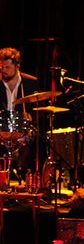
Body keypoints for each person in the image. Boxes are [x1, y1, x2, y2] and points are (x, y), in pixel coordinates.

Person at [0, 47, 40, 179]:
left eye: (7, 67)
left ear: (17, 66)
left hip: (23, 131)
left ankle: (26, 178)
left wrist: (32, 116)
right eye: (1, 67)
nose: (3, 71)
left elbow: (40, 109)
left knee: (34, 140)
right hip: (2, 129)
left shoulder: (30, 83)